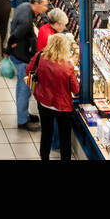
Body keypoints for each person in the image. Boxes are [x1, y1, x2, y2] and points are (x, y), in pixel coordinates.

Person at [30, 32, 79, 160]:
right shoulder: (67, 66)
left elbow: (29, 69)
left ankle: (44, 157)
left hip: (44, 102)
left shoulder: (40, 57)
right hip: (62, 107)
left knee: (46, 133)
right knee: (65, 137)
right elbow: (76, 89)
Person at [7, 0, 50, 130]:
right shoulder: (26, 21)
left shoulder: (23, 6)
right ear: (36, 3)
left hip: (19, 56)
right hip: (24, 60)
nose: (46, 8)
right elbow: (15, 36)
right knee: (24, 90)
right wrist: (9, 48)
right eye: (44, 5)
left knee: (23, 87)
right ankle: (22, 121)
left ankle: (24, 113)